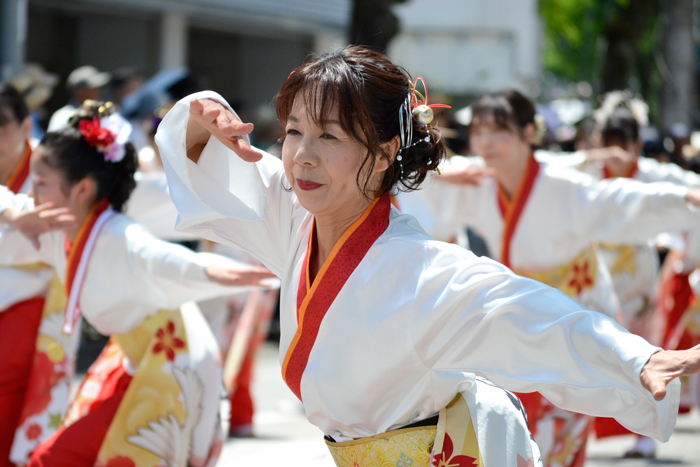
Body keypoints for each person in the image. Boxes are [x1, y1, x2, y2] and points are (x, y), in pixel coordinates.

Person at [157, 46, 700, 467]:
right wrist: (197, 122)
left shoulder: (417, 270)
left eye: (329, 136)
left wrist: (634, 359)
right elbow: (206, 164)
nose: (302, 154)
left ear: (384, 151)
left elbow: (520, 308)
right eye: (294, 131)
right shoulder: (296, 213)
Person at [0, 102, 277, 467]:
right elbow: (9, 204)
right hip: (131, 356)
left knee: (56, 458)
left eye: (40, 183)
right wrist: (14, 213)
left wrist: (217, 272)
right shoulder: (55, 230)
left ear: (82, 189)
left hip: (169, 354)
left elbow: (165, 261)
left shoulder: (118, 235)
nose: (31, 194)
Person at [0, 83, 82, 467]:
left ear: (25, 125)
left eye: (0, 127)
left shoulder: (51, 169)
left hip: (34, 311)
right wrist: (11, 213)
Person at [47, 66, 110, 132]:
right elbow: (53, 141)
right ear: (79, 91)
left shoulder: (104, 115)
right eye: (93, 88)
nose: (99, 91)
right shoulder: (63, 116)